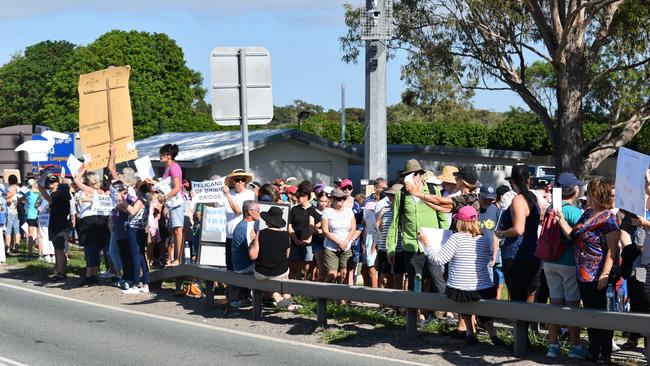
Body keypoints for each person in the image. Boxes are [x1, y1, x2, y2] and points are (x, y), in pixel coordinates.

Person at [555, 179, 620, 364]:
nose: (587, 196)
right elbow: (573, 235)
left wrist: (605, 275)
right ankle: (593, 350)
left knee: (602, 317)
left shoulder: (609, 218)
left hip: (599, 275)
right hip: (583, 274)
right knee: (590, 315)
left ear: (598, 195)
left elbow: (612, 250)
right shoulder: (587, 214)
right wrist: (560, 220)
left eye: (590, 193)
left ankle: (605, 354)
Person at [420, 205, 501, 346]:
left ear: (460, 222)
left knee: (460, 291)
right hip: (484, 289)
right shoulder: (483, 239)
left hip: (459, 291)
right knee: (476, 301)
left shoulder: (456, 238)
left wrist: (426, 243)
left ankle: (470, 332)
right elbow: (487, 259)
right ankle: (492, 334)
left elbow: (438, 259)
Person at [542, 173, 587, 359]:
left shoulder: (552, 208)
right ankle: (576, 346)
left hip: (549, 262)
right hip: (568, 262)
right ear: (574, 191)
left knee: (555, 304)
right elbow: (580, 237)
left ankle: (553, 345)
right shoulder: (575, 212)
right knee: (572, 306)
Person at [387, 159, 447, 292]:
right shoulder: (401, 195)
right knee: (415, 284)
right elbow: (394, 223)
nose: (410, 178)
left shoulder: (433, 190)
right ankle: (416, 312)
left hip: (432, 245)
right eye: (406, 175)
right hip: (411, 246)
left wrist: (445, 243)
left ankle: (441, 311)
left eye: (414, 174)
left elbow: (442, 217)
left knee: (438, 282)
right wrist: (391, 248)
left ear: (419, 174)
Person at [249, 206, 301, 311]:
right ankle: (288, 300)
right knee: (284, 276)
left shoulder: (261, 233)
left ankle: (278, 298)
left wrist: (251, 245)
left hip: (261, 272)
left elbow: (253, 256)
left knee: (267, 277)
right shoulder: (286, 235)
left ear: (267, 221)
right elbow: (287, 256)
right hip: (280, 272)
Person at [74, 165, 110, 286]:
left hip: (90, 221)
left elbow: (76, 181)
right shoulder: (96, 192)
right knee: (93, 249)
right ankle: (93, 273)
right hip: (91, 221)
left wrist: (83, 169)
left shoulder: (94, 191)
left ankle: (90, 275)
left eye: (86, 179)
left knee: (90, 249)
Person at [120, 182, 152, 294]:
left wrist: (123, 201)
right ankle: (146, 283)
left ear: (138, 188)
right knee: (141, 255)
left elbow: (133, 211)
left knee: (135, 256)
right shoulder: (146, 199)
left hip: (135, 229)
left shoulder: (140, 200)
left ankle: (135, 284)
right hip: (141, 229)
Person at [38, 174, 71, 280]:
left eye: (52, 182)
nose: (49, 184)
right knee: (60, 250)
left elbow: (43, 192)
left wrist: (41, 179)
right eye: (49, 182)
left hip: (58, 225)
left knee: (59, 250)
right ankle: (62, 271)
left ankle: (60, 273)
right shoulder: (63, 195)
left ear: (57, 184)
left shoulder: (57, 196)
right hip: (60, 224)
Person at [158, 143, 185, 266]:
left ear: (169, 155)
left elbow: (176, 188)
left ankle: (178, 259)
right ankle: (176, 259)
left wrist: (164, 198)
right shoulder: (167, 167)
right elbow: (165, 186)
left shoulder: (174, 167)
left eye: (162, 154)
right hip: (172, 203)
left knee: (178, 231)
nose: (160, 156)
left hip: (177, 202)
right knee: (175, 231)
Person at [224, 169, 256, 271]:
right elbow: (215, 203)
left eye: (243, 179)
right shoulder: (229, 192)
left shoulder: (249, 194)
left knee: (243, 264)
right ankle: (231, 286)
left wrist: (228, 195)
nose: (240, 182)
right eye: (237, 180)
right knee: (229, 264)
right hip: (229, 235)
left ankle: (243, 287)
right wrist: (197, 197)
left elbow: (238, 211)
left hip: (243, 235)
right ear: (232, 181)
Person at [321, 188, 356, 283]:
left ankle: (341, 297)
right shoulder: (327, 212)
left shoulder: (349, 211)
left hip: (346, 246)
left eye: (343, 198)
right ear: (332, 199)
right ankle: (323, 297)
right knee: (332, 274)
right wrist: (338, 242)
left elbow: (353, 229)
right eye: (338, 198)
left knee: (344, 275)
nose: (341, 201)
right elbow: (325, 231)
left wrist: (346, 242)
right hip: (331, 247)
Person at [375, 184, 405, 289]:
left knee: (398, 278)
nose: (390, 198)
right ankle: (383, 303)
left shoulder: (404, 212)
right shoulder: (385, 209)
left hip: (399, 249)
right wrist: (379, 216)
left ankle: (396, 304)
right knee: (384, 278)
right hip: (384, 247)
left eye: (393, 195)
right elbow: (379, 228)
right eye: (389, 195)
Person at [288, 187, 316, 280]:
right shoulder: (294, 209)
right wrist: (295, 239)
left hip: (310, 243)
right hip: (295, 243)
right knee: (293, 267)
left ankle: (307, 291)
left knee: (308, 268)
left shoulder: (314, 210)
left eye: (299, 196)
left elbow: (316, 227)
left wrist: (309, 240)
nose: (297, 198)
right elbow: (290, 226)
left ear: (306, 197)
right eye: (296, 196)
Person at [310, 191, 329, 281]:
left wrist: (321, 230)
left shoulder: (330, 212)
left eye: (325, 201)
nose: (323, 203)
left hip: (329, 242)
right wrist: (324, 231)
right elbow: (312, 230)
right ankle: (319, 292)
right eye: (321, 201)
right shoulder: (313, 212)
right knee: (321, 268)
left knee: (328, 269)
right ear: (317, 200)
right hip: (317, 242)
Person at [24, 180, 42, 258]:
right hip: (39, 216)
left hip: (31, 215)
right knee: (39, 235)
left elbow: (21, 199)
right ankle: (40, 252)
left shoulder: (29, 193)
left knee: (30, 235)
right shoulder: (41, 194)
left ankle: (30, 252)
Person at [4, 174, 20, 254]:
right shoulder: (19, 188)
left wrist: (4, 196)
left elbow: (8, 198)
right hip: (15, 211)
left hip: (9, 211)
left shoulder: (10, 188)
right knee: (16, 231)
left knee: (8, 231)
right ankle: (16, 248)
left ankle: (7, 249)